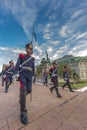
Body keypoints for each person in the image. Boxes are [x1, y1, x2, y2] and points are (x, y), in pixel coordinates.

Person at [15, 42, 35, 125]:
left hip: (29, 76)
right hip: (23, 74)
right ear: (26, 49)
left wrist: (33, 76)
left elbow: (33, 68)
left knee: (29, 91)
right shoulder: (22, 56)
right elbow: (17, 65)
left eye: (31, 49)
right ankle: (23, 113)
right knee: (23, 91)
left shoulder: (32, 59)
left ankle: (21, 97)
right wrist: (16, 73)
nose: (30, 50)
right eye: (29, 48)